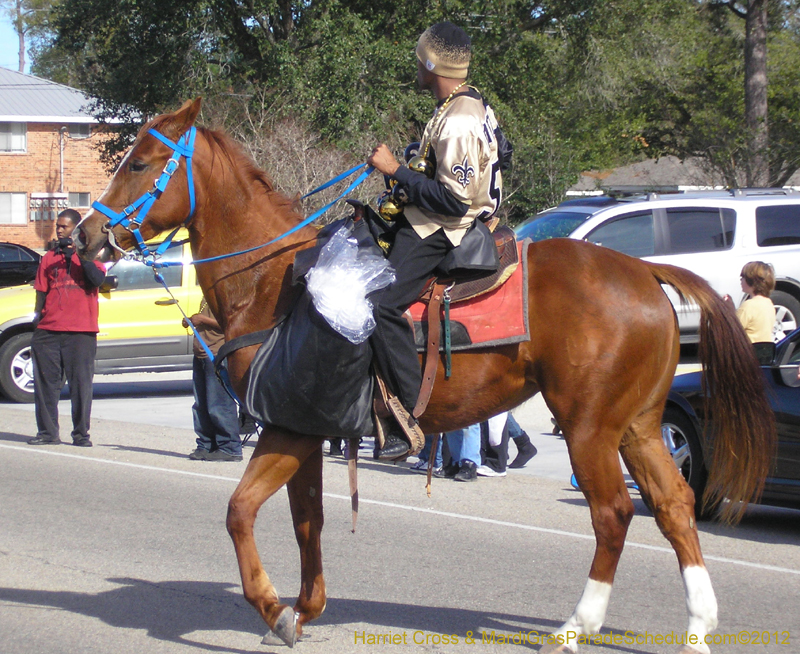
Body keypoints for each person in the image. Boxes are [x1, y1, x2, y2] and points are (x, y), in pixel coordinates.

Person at [367, 21, 505, 459]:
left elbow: (451, 200)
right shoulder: (467, 101)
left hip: (442, 229)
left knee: (380, 302)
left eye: (420, 57)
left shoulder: (459, 121)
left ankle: (410, 413)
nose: (416, 63)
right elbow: (496, 154)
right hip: (433, 214)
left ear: (432, 64)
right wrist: (418, 161)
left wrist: (396, 172)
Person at [28, 209, 106, 447]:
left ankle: (81, 434)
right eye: (58, 226)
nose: (59, 229)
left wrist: (79, 255)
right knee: (46, 386)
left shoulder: (91, 255)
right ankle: (47, 433)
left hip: (81, 332)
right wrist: (37, 324)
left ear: (76, 229)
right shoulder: (49, 258)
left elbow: (97, 280)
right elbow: (41, 292)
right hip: (49, 331)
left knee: (81, 385)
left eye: (64, 226)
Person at [183, 298, 243, 461]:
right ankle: (206, 444)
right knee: (201, 404)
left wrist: (202, 319)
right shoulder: (206, 296)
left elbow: (231, 323)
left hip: (216, 354)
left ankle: (229, 447)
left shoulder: (223, 295)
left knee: (219, 403)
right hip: (201, 354)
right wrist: (192, 321)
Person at [723, 261, 776, 364]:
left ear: (752, 281)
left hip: (747, 357)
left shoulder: (749, 305)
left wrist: (727, 310)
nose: (741, 280)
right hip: (764, 356)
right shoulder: (768, 303)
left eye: (743, 277)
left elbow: (732, 330)